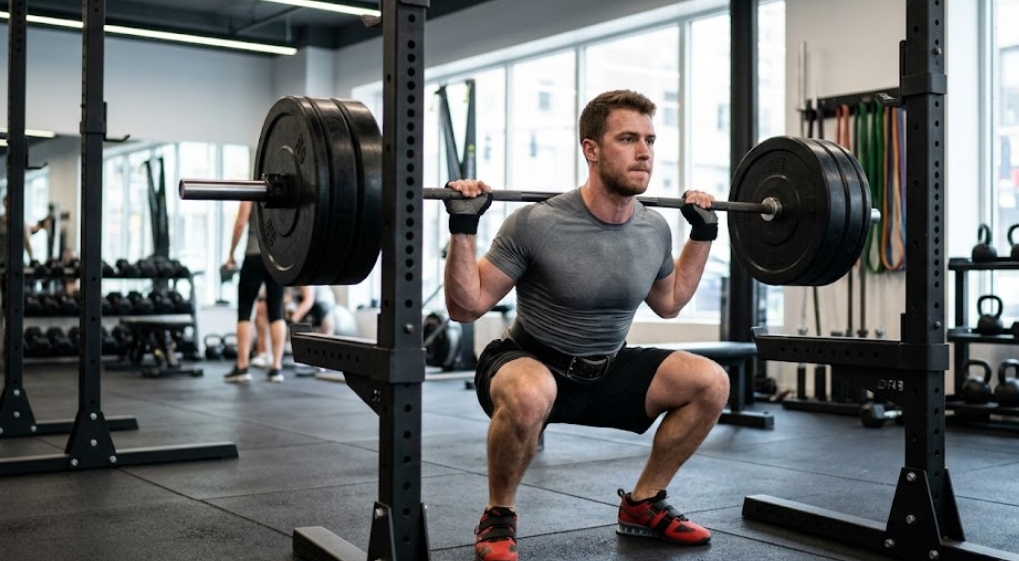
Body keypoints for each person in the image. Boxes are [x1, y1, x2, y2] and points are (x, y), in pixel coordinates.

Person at [442, 90, 730, 561]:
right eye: (628, 139)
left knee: (710, 381)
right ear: (591, 149)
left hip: (606, 369)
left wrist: (701, 235)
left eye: (650, 141)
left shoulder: (654, 228)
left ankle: (643, 505)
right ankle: (498, 513)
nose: (644, 153)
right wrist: (463, 230)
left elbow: (671, 302)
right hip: (529, 361)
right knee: (532, 390)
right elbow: (465, 307)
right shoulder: (536, 222)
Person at [223, 201, 286, 383]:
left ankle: (242, 367)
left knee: (244, 310)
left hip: (253, 255)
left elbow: (241, 221)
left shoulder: (251, 191)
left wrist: (231, 252)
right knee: (276, 311)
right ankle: (276, 368)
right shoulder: (281, 191)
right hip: (277, 257)